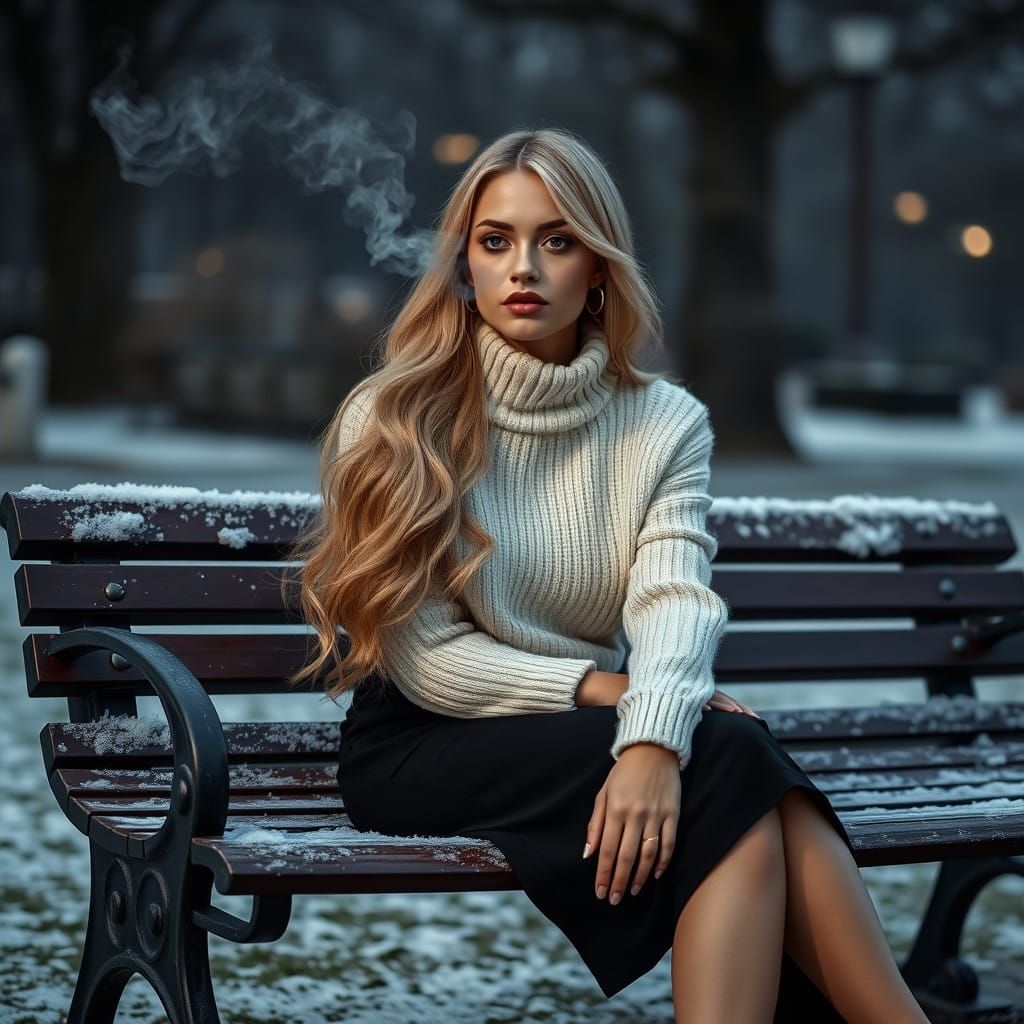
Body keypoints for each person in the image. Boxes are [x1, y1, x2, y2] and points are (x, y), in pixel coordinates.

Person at [285, 127, 930, 1023]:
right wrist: (617, 698)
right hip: (421, 739)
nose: (524, 268)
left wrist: (655, 740)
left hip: (576, 729)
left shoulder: (663, 424)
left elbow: (675, 599)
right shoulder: (396, 416)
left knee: (726, 764)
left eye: (557, 240)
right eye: (495, 240)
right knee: (736, 761)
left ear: (599, 267)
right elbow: (427, 659)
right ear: (465, 265)